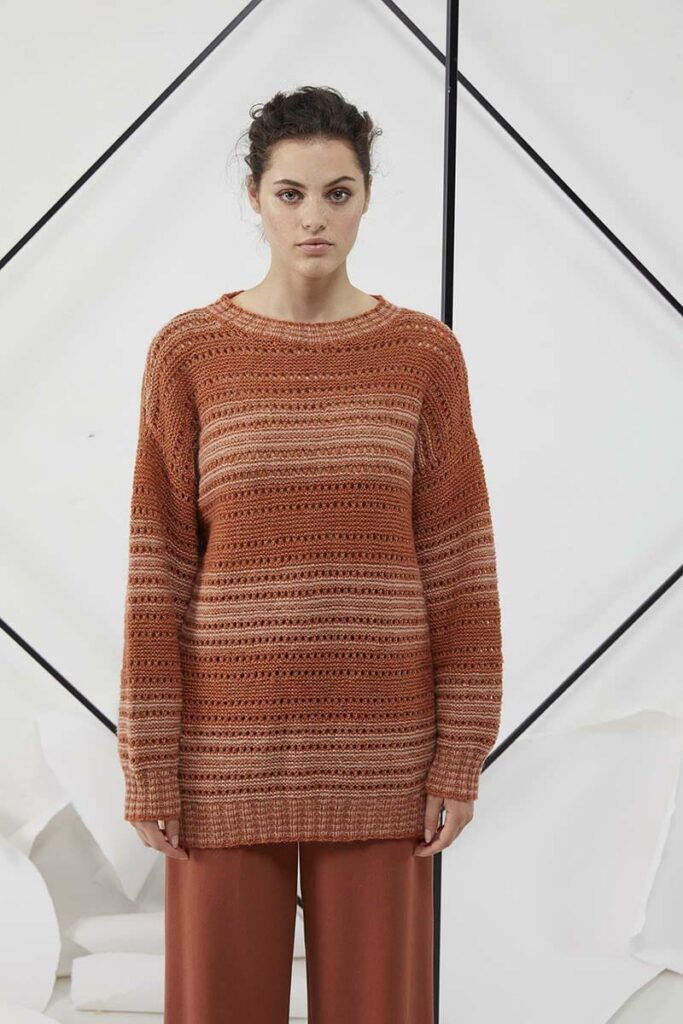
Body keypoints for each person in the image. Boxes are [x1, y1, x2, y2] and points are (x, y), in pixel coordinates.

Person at [117, 85, 504, 1024]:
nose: (314, 218)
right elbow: (157, 572)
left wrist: (459, 756)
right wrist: (148, 760)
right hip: (223, 753)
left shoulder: (422, 355)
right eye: (290, 193)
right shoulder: (190, 352)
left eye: (338, 193)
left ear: (366, 197)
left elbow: (460, 569)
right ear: (254, 196)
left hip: (383, 752)